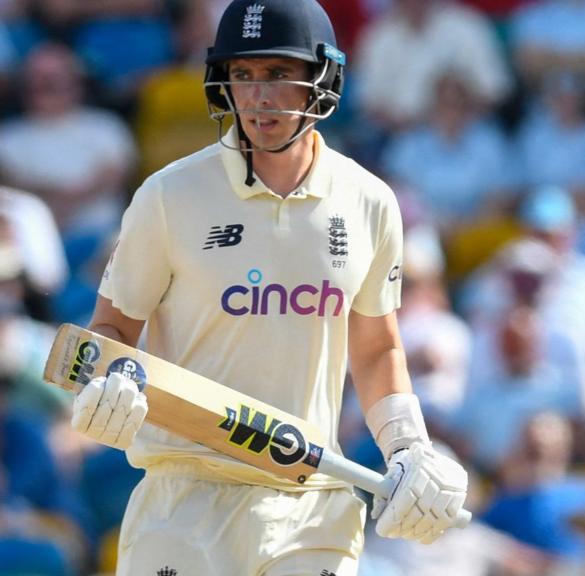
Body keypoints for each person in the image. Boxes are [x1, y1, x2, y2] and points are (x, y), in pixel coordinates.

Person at [66, 1, 469, 574]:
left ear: (322, 80)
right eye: (243, 75)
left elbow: (377, 348)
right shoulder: (168, 195)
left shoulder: (369, 201)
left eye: (279, 75)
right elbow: (111, 329)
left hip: (312, 499)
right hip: (186, 496)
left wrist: (407, 446)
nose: (258, 97)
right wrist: (110, 378)